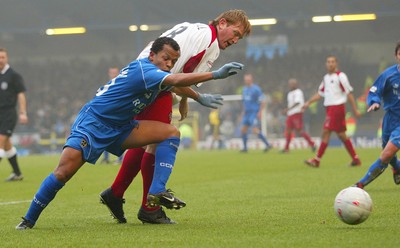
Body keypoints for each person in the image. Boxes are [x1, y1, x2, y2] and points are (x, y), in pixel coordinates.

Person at [15, 37, 244, 230]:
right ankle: (28, 219)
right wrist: (215, 75)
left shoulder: (155, 73)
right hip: (94, 124)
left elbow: (173, 85)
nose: (169, 63)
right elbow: (173, 79)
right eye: (166, 58)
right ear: (152, 55)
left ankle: (156, 192)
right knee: (64, 172)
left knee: (171, 133)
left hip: (122, 127)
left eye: (173, 61)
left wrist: (197, 97)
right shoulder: (145, 70)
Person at [99, 9, 251, 225]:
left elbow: (181, 75)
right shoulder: (207, 39)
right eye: (235, 33)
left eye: (239, 38)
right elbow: (173, 77)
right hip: (153, 81)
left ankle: (116, 193)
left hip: (146, 78)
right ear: (223, 23)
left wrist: (185, 99)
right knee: (161, 137)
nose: (236, 40)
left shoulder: (201, 32)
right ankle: (149, 208)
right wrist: (198, 96)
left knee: (148, 139)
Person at [354, 42, 400, 188]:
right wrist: (374, 102)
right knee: (387, 151)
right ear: (396, 56)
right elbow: (375, 91)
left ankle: (359, 185)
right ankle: (397, 168)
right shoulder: (388, 75)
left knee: (386, 155)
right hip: (390, 119)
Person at [303, 55, 361, 168]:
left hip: (337, 108)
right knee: (341, 135)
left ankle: (317, 160)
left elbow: (349, 93)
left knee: (326, 131)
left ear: (336, 64)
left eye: (332, 62)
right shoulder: (326, 78)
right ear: (326, 64)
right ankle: (355, 159)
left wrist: (355, 109)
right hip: (330, 109)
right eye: (328, 62)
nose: (330, 64)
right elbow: (320, 93)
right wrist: (308, 102)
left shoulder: (341, 76)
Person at [0, 48, 28, 181]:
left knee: (0, 141)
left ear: (7, 58)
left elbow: (21, 94)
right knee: (7, 145)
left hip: (8, 113)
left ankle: (17, 173)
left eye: (2, 57)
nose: (0, 60)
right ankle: (17, 173)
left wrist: (23, 112)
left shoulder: (13, 75)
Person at [281, 78, 315, 153]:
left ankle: (312, 144)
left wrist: (287, 109)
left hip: (297, 113)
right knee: (288, 131)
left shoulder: (298, 92)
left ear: (296, 84)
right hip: (290, 114)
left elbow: (297, 103)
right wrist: (288, 111)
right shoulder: (289, 93)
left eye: (293, 83)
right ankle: (286, 148)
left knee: (300, 131)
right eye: (290, 84)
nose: (291, 85)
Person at [239, 73, 272, 152]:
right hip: (247, 113)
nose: (247, 81)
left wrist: (260, 112)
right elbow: (244, 102)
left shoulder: (256, 89)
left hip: (253, 112)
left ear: (251, 80)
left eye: (248, 80)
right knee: (243, 129)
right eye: (246, 80)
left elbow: (263, 101)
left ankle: (268, 144)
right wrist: (242, 113)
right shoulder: (244, 89)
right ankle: (245, 148)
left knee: (254, 130)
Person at [101, 67, 121, 164]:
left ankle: (120, 159)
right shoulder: (108, 85)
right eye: (111, 72)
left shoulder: (122, 84)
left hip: (120, 114)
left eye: (115, 72)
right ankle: (106, 159)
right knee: (105, 136)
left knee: (120, 137)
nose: (113, 74)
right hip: (109, 115)